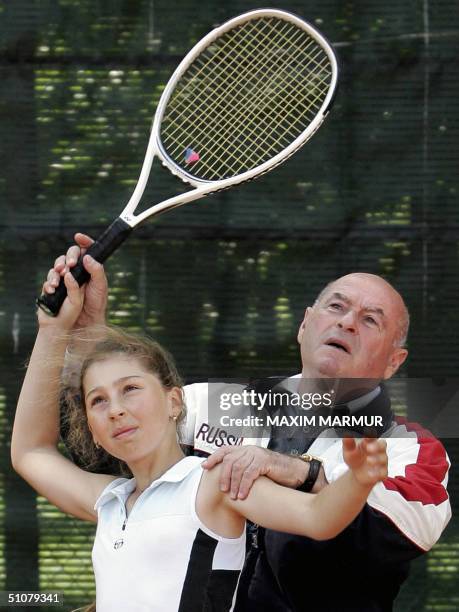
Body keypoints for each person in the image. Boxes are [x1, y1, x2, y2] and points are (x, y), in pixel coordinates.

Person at [41, 234, 451, 611]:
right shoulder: (212, 403)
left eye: (370, 319)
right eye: (336, 307)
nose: (346, 322)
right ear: (305, 324)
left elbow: (391, 531)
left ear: (395, 362)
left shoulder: (409, 447)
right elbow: (98, 442)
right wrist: (87, 331)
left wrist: (296, 470)